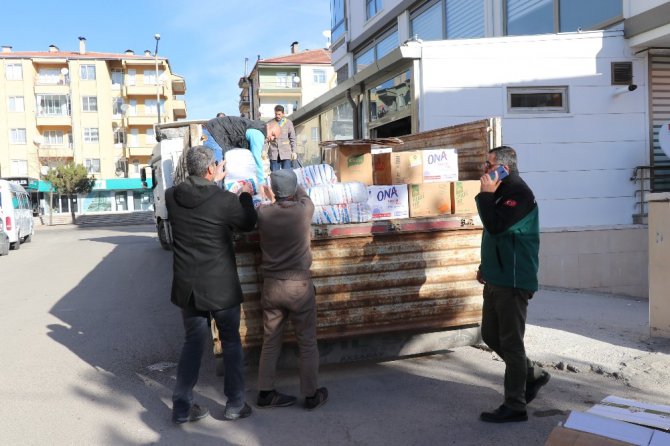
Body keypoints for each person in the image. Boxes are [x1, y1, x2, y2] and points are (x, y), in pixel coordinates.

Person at [166, 145, 257, 424]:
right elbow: (247, 224)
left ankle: (181, 407)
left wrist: (216, 184)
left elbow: (199, 201)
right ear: (210, 169)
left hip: (187, 284)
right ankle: (235, 404)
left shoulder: (171, 197)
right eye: (216, 165)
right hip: (221, 286)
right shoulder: (224, 200)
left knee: (193, 342)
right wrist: (245, 198)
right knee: (230, 342)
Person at [475, 145, 550, 423]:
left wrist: (485, 194)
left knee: (511, 343)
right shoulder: (502, 191)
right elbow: (497, 237)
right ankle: (532, 375)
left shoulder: (519, 193)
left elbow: (496, 226)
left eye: (489, 164)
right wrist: (486, 266)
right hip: (497, 276)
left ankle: (515, 405)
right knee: (491, 336)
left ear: (504, 167)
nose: (484, 169)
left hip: (514, 280)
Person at [254, 169, 328, 410]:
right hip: (299, 286)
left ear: (274, 191)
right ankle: (310, 394)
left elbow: (267, 201)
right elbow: (303, 194)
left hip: (272, 286)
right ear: (294, 189)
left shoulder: (263, 213)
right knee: (306, 342)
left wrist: (271, 192)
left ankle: (265, 392)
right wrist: (292, 185)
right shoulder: (303, 210)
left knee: (270, 341)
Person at [266, 105, 296, 171]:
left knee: (286, 174)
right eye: (276, 114)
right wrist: (263, 151)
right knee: (275, 175)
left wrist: (294, 151)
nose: (277, 116)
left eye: (279, 114)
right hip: (274, 153)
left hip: (286, 153)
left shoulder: (288, 123)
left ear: (283, 114)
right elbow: (266, 139)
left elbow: (292, 138)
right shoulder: (270, 123)